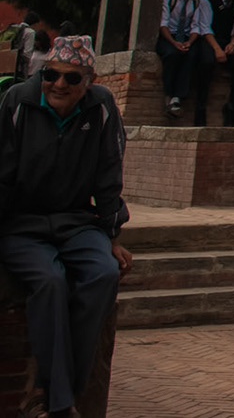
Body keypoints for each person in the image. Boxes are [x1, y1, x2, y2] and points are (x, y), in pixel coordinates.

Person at [0, 36, 133, 418]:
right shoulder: (18, 103)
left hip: (77, 221)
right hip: (22, 223)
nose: (59, 84)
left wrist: (111, 233)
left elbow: (109, 175)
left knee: (103, 274)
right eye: (51, 74)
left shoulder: (102, 107)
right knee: (50, 281)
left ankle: (62, 388)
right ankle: (58, 401)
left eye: (71, 79)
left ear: (88, 81)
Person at [157, 0, 211, 120]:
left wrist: (189, 42)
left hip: (187, 37)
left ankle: (178, 97)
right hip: (170, 36)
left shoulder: (197, 1)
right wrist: (174, 42)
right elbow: (163, 23)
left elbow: (196, 26)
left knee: (191, 56)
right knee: (171, 55)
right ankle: (168, 93)